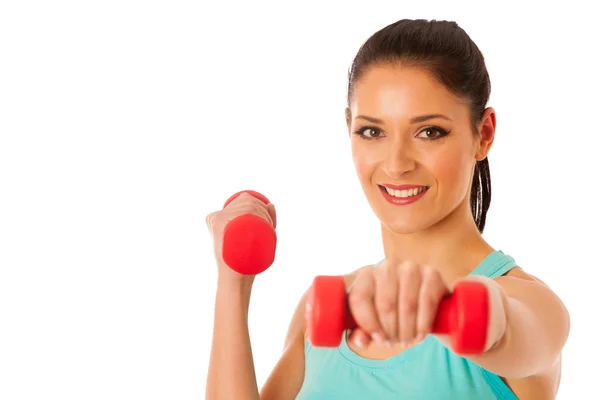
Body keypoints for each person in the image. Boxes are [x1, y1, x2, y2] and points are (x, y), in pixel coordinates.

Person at [205, 18, 570, 399]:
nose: (396, 164)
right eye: (372, 131)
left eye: (429, 132)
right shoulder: (325, 306)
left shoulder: (531, 304)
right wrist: (233, 283)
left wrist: (441, 310)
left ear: (484, 134)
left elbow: (507, 329)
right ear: (349, 128)